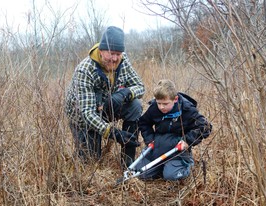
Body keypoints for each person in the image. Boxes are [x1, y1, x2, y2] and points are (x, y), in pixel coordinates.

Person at [65, 26, 145, 167]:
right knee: (90, 162)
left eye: (118, 54)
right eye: (111, 53)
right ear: (101, 51)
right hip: (83, 118)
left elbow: (140, 86)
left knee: (135, 105)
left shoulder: (123, 60)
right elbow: (87, 114)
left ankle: (128, 161)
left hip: (107, 106)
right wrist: (113, 132)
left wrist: (125, 93)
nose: (115, 59)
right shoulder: (85, 70)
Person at [135, 79, 212, 181]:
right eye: (159, 103)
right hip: (158, 148)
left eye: (165, 104)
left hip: (177, 151)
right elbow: (144, 123)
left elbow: (205, 126)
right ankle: (161, 168)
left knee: (170, 176)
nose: (161, 107)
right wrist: (149, 139)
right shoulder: (154, 108)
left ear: (175, 99)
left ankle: (187, 165)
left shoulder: (187, 109)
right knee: (139, 173)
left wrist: (187, 141)